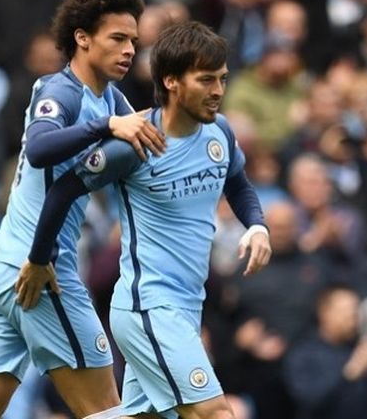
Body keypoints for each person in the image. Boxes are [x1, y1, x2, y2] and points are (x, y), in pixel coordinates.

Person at [19, 21, 271, 419]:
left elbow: (237, 183)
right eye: (206, 80)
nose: (219, 91)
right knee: (214, 413)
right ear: (171, 81)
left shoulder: (220, 131)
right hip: (147, 307)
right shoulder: (135, 144)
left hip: (189, 305)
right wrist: (38, 258)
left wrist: (257, 226)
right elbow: (63, 190)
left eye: (222, 79)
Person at [0, 0, 165, 419]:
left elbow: (144, 138)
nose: (129, 50)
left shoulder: (111, 97)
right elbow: (39, 149)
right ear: (82, 37)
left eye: (134, 42)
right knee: (106, 410)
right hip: (40, 271)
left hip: (1, 270)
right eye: (118, 38)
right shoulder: (62, 92)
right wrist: (106, 125)